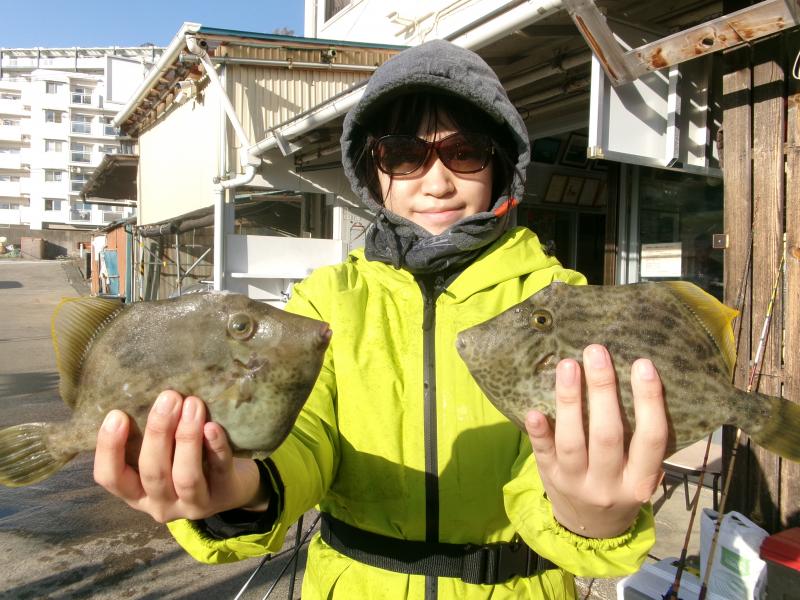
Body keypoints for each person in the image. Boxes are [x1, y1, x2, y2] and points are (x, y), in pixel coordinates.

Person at [94, 39, 668, 599]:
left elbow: (559, 459)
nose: (437, 181)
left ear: (500, 163)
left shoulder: (559, 301)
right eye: (404, 155)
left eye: (464, 152)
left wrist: (593, 512)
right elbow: (303, 434)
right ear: (373, 170)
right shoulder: (326, 300)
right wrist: (242, 487)